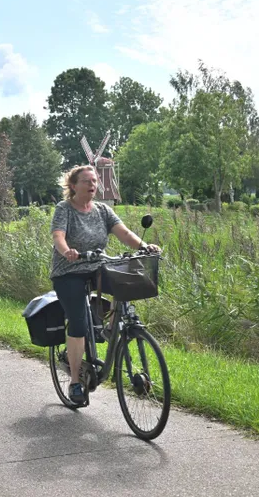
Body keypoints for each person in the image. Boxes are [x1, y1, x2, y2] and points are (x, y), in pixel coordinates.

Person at [50, 165, 161, 404]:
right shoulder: (64, 209)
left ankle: (114, 326)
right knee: (78, 322)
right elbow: (58, 235)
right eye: (87, 181)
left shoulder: (102, 210)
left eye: (95, 181)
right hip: (69, 270)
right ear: (73, 186)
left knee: (129, 282)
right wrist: (67, 251)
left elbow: (124, 233)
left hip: (97, 266)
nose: (93, 185)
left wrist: (143, 246)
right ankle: (76, 382)